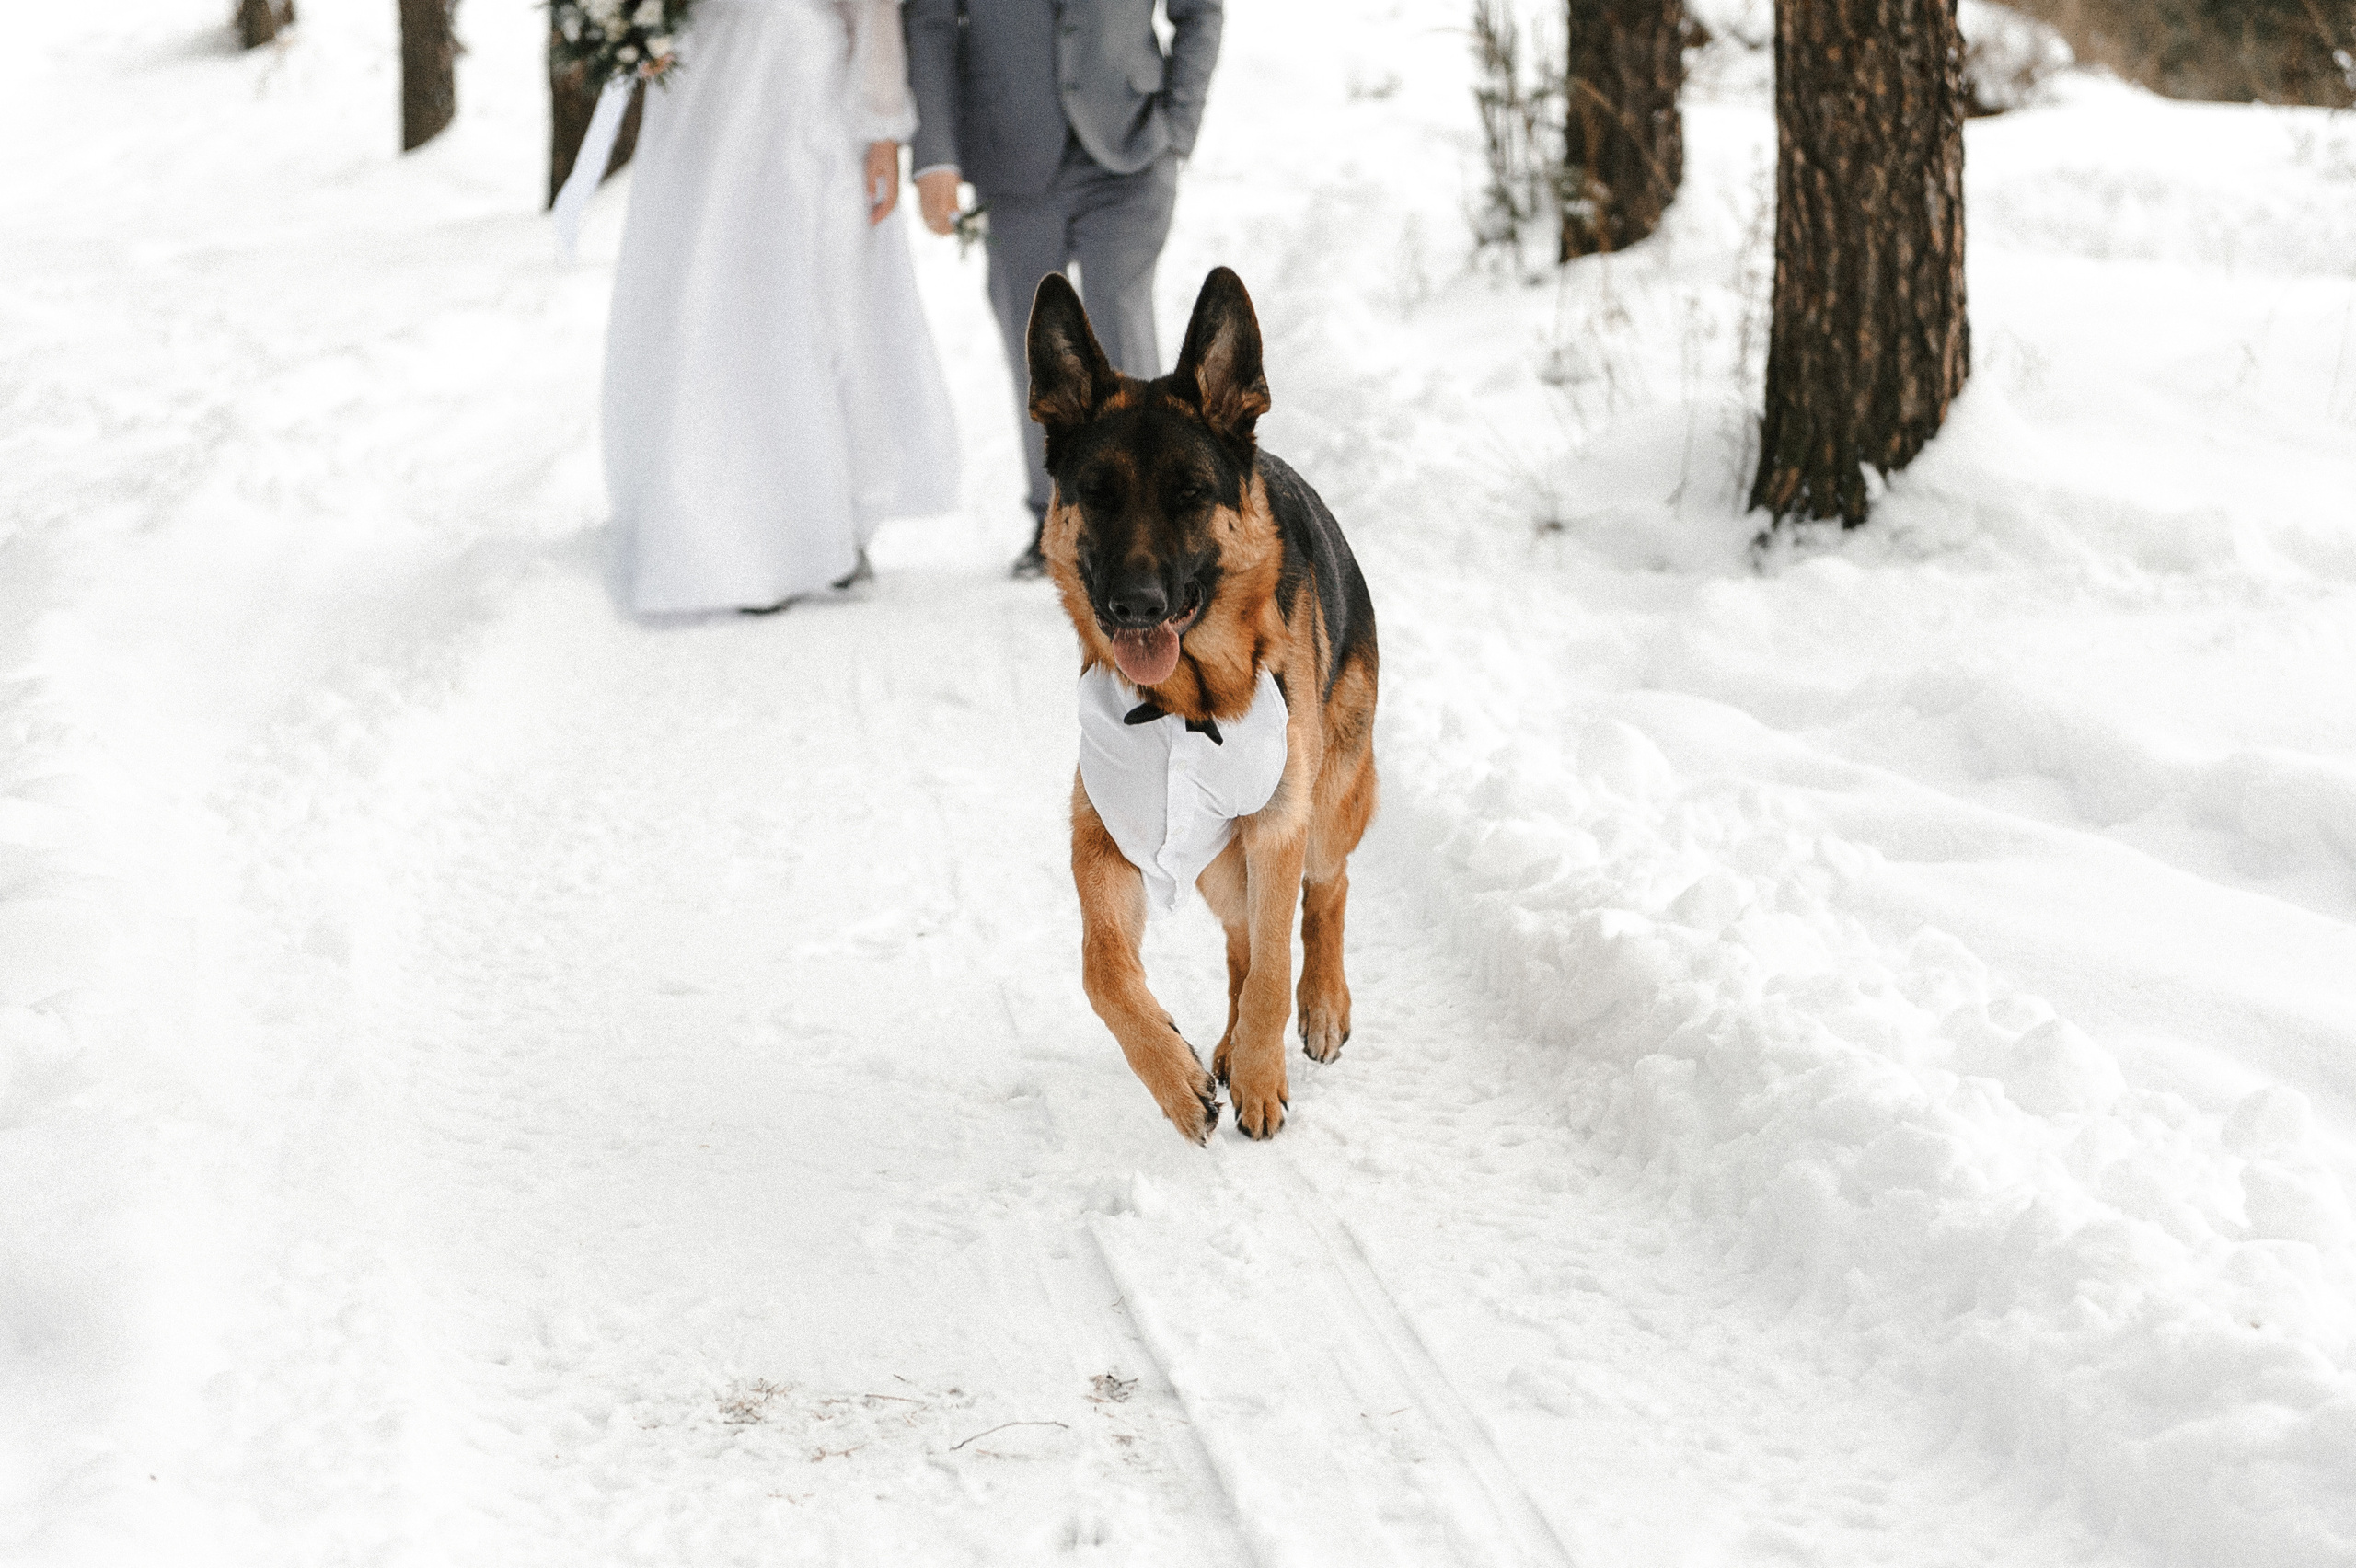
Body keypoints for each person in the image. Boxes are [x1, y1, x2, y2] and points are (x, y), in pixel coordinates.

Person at [603, 0, 960, 616]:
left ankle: (826, 526)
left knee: (816, 307)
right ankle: (721, 538)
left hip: (805, 92)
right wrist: (628, 28)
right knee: (707, 305)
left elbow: (873, 12)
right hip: (702, 87)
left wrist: (881, 130)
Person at [903, 0, 1222, 578]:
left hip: (1128, 150)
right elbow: (930, 21)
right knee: (1038, 351)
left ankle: (1142, 531)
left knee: (1121, 337)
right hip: (1010, 153)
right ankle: (1054, 521)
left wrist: (1180, 124)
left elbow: (1199, 10)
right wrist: (936, 157)